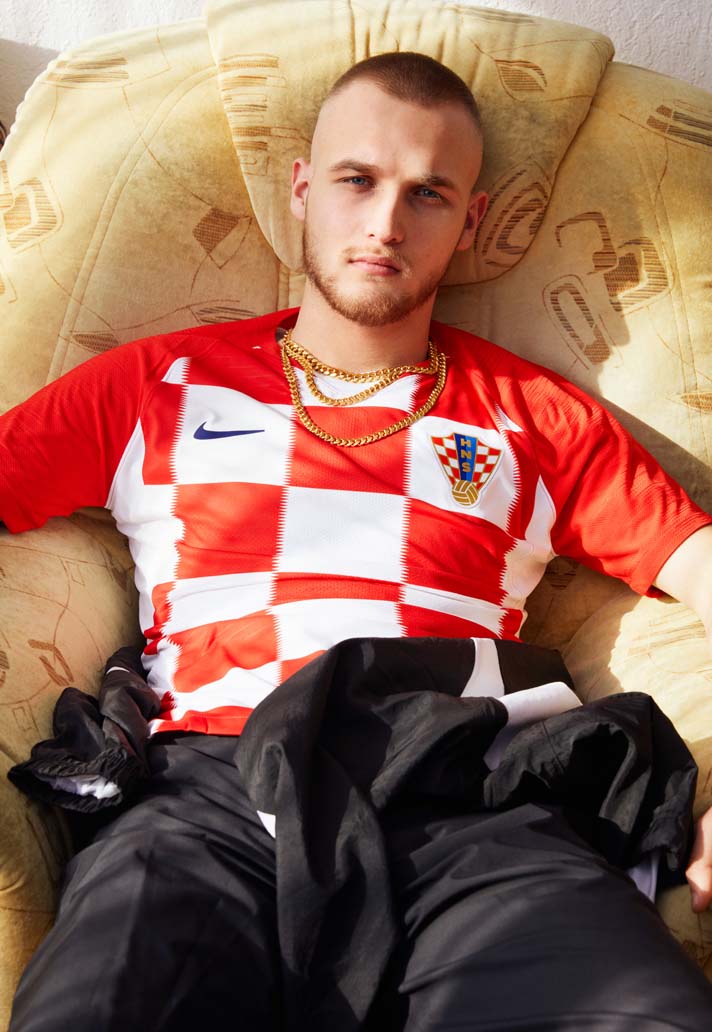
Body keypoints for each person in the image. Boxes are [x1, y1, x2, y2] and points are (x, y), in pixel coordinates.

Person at [2, 50, 712, 1031]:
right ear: (303, 189)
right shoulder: (153, 385)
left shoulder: (535, 414)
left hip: (468, 798)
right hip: (211, 788)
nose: (384, 223)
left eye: (427, 193)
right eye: (356, 180)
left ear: (470, 220)